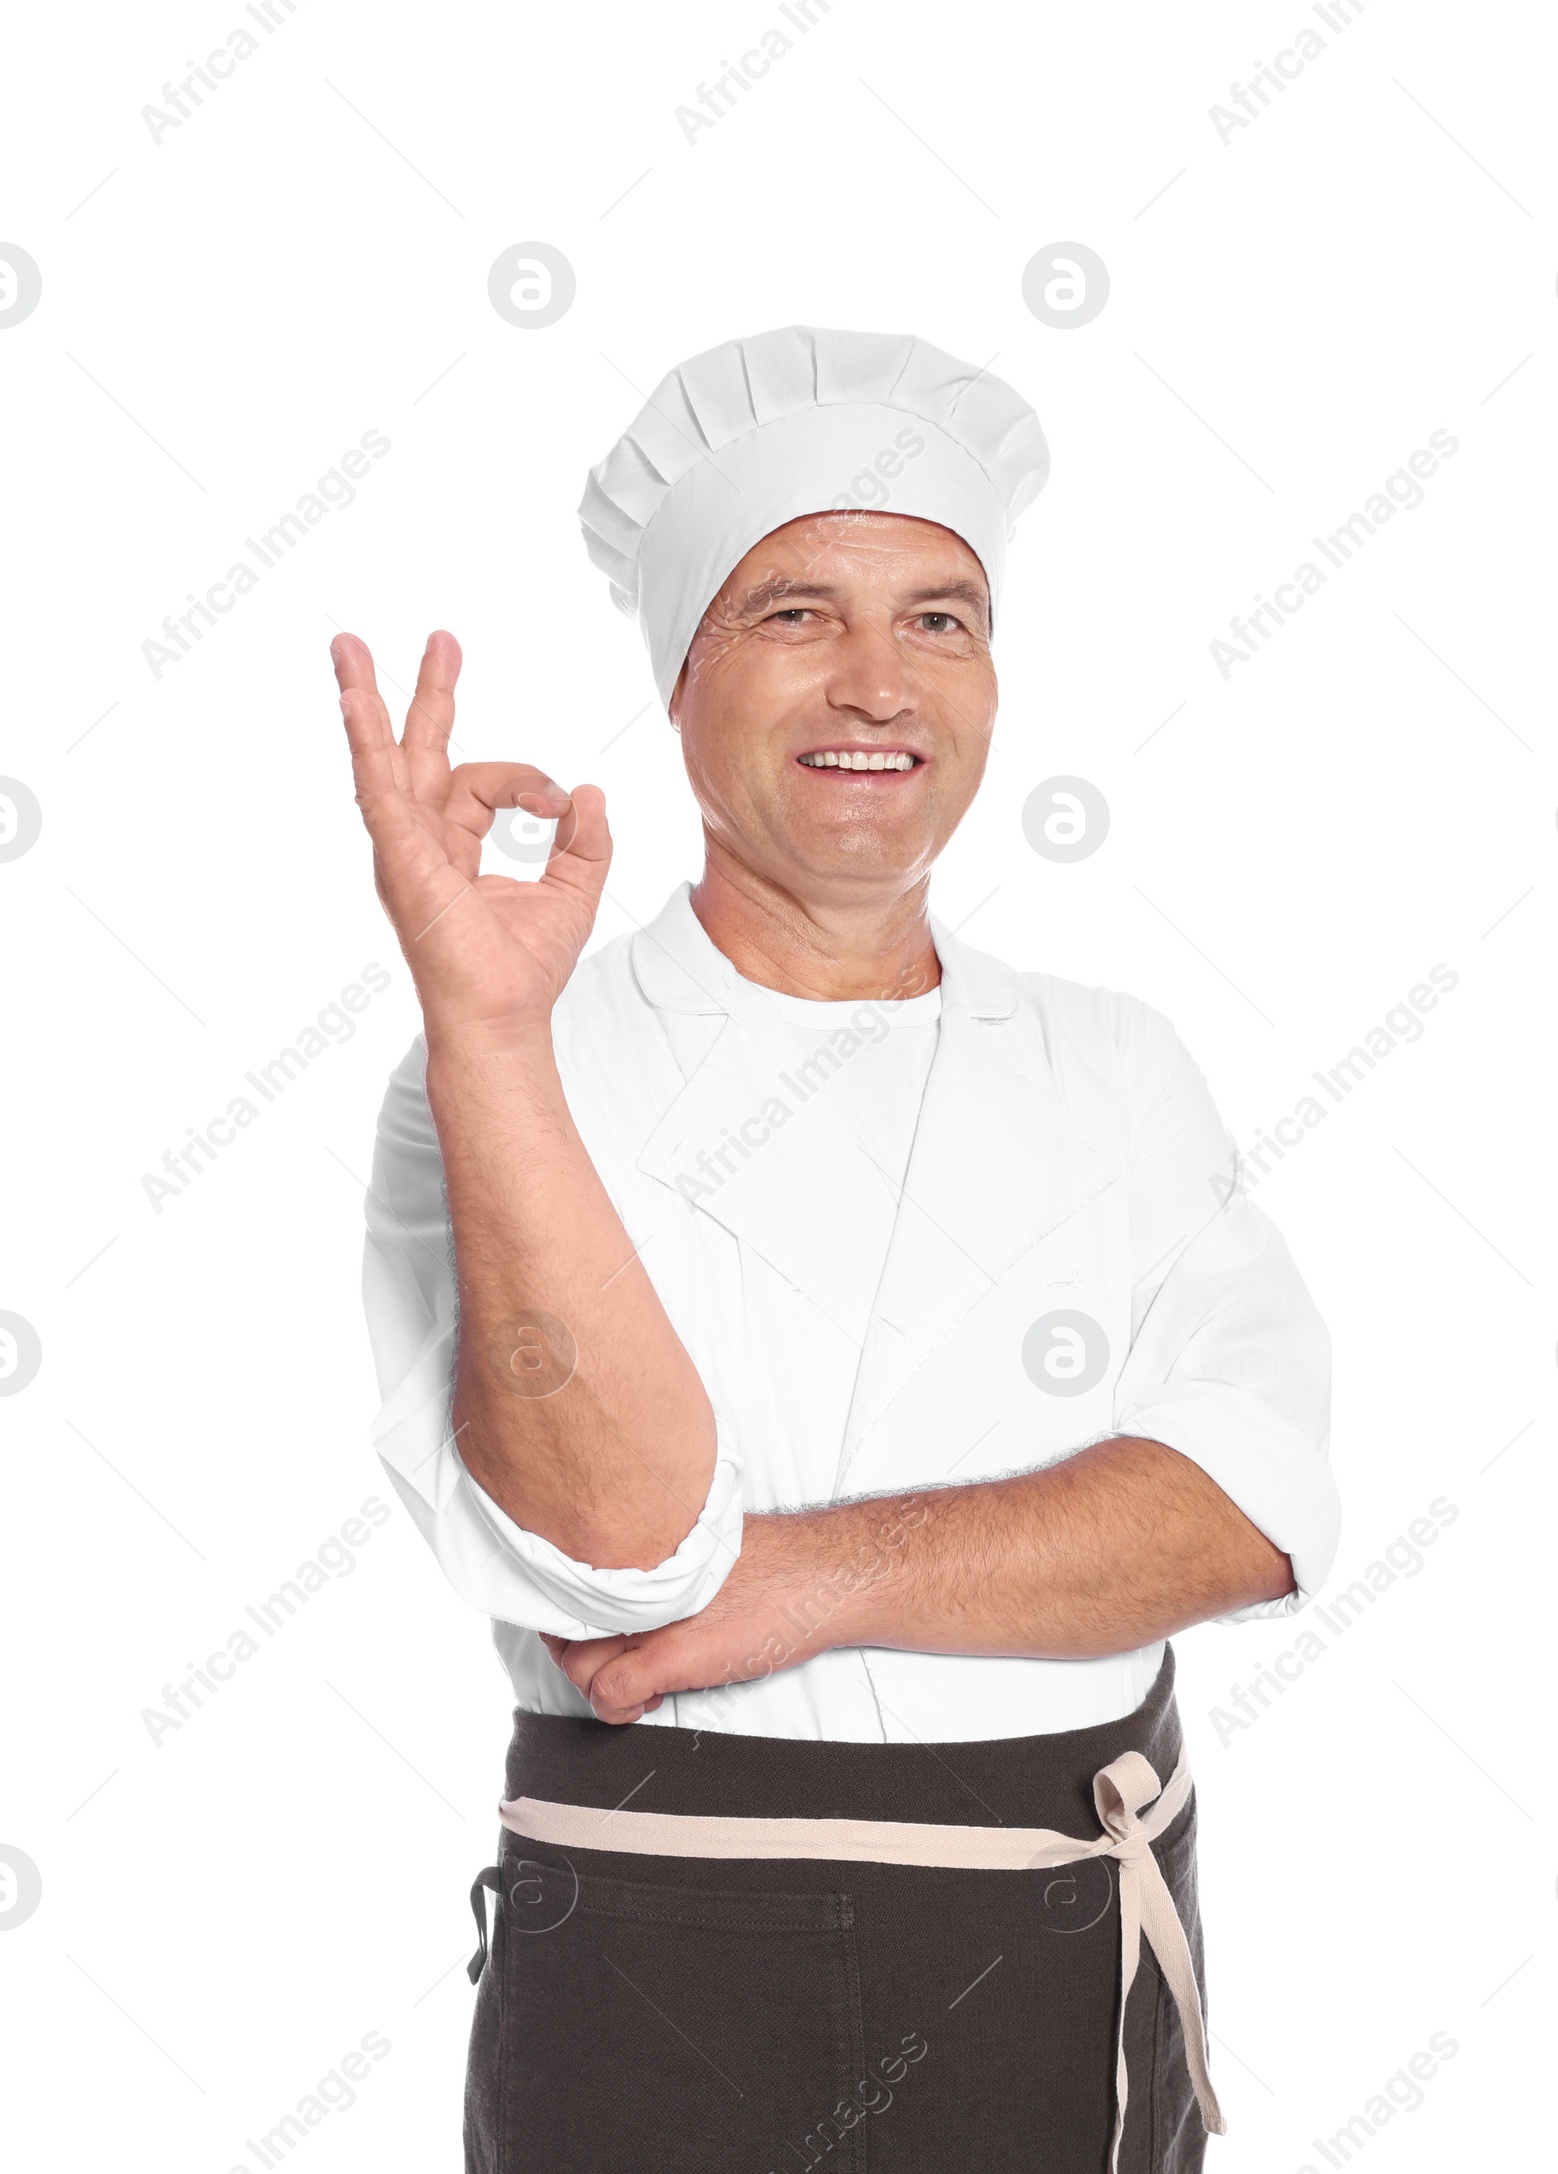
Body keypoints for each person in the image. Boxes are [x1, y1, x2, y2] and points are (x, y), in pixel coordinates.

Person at [334, 325, 1336, 2174]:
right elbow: (620, 1560)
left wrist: (796, 1578)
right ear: (681, 675)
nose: (878, 680)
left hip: (1054, 1968)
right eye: (797, 608)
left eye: (940, 618)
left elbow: (1247, 1508)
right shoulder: (507, 1067)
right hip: (649, 1972)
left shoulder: (1115, 1064)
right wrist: (486, 1029)